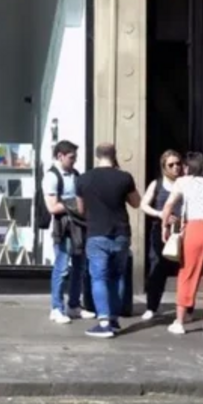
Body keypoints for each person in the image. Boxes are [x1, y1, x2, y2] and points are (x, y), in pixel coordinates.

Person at [75, 142, 140, 338]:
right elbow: (136, 203)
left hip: (97, 233)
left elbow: (80, 209)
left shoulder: (84, 179)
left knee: (99, 277)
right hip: (121, 233)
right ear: (114, 155)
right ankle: (113, 318)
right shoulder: (124, 177)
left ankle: (103, 322)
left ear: (97, 156)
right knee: (116, 277)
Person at [161, 152, 203, 337]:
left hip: (196, 227)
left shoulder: (183, 181)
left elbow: (168, 206)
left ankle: (180, 322)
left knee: (188, 273)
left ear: (188, 167)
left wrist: (165, 227)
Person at [42, 140, 92, 324]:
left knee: (79, 266)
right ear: (60, 156)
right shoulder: (52, 177)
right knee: (62, 267)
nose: (74, 161)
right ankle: (56, 308)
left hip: (79, 226)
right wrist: (75, 204)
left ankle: (74, 305)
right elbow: (52, 207)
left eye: (75, 157)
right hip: (63, 227)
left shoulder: (75, 174)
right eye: (71, 157)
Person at [140, 150, 183, 320]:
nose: (176, 168)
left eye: (178, 163)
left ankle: (186, 307)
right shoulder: (156, 184)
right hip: (160, 230)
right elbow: (144, 204)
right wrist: (160, 214)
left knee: (184, 270)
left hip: (182, 230)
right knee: (156, 267)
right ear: (163, 167)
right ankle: (152, 306)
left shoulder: (186, 183)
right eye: (171, 165)